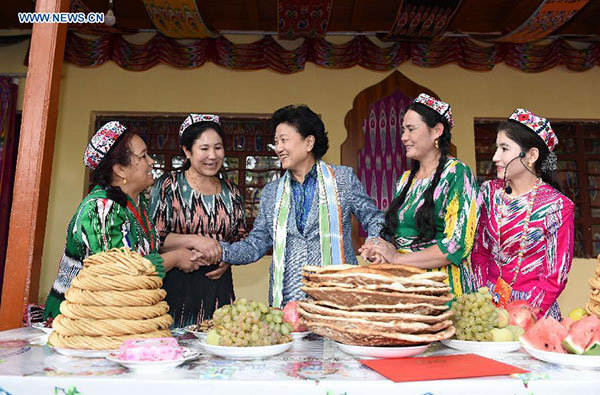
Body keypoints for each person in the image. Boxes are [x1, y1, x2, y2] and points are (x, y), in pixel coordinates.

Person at [195, 105, 385, 308]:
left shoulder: (343, 179)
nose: (278, 148)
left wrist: (374, 242)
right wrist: (221, 251)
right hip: (287, 305)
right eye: (276, 142)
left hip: (337, 301)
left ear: (309, 142)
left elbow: (375, 219)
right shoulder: (272, 192)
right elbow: (255, 245)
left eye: (284, 140)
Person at [44, 121, 195, 319]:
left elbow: (141, 254)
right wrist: (175, 258)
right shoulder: (101, 211)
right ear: (120, 170)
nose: (151, 161)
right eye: (143, 156)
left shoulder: (137, 202)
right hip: (82, 321)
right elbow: (119, 274)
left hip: (120, 316)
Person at [359, 93, 479, 297]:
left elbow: (457, 245)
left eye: (411, 129)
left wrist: (396, 258)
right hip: (406, 288)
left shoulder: (458, 174)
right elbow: (399, 239)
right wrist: (379, 249)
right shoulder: (406, 179)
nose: (404, 136)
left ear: (437, 131)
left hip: (443, 290)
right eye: (403, 130)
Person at [471, 109, 574, 319]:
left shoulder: (557, 206)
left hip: (533, 312)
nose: (495, 157)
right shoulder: (489, 192)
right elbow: (479, 251)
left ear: (532, 155)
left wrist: (524, 315)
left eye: (504, 148)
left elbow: (555, 276)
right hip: (487, 307)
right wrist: (481, 300)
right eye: (496, 147)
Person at [150, 114, 247, 327]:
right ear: (187, 150)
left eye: (218, 147)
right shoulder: (169, 185)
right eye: (204, 149)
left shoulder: (231, 192)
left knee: (218, 344)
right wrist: (194, 240)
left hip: (217, 286)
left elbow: (241, 238)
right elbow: (152, 238)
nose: (212, 155)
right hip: (174, 285)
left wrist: (227, 257)